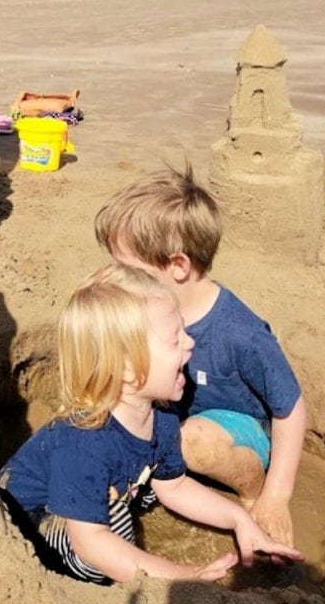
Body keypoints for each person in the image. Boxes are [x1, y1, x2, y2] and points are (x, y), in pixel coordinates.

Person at [0, 264, 302, 585]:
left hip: (99, 487)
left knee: (156, 481)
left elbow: (175, 487)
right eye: (174, 339)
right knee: (104, 540)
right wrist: (183, 576)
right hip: (33, 516)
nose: (190, 343)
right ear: (126, 368)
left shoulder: (162, 416)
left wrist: (239, 519)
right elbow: (92, 543)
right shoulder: (84, 442)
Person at [94, 164, 307, 549]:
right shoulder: (147, 312)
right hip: (177, 422)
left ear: (177, 266)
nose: (117, 279)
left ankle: (252, 494)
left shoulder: (240, 334)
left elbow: (289, 409)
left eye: (127, 269)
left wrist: (277, 494)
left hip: (238, 434)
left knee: (194, 442)